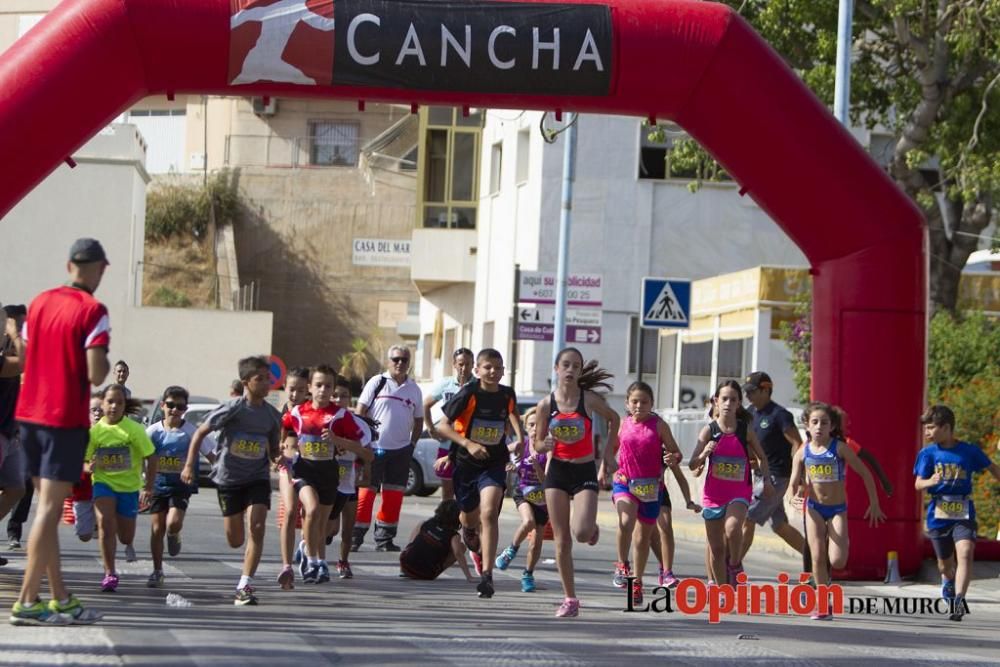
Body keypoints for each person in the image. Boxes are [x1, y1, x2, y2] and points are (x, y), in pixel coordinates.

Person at [10, 238, 110, 626]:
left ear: (69, 265)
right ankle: (27, 601)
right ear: (99, 268)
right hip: (63, 418)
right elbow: (96, 372)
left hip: (29, 415)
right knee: (49, 512)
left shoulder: (39, 303)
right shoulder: (93, 310)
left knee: (43, 510)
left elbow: (26, 355)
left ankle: (60, 597)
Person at [181, 355, 282, 606]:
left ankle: (245, 584)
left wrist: (279, 457)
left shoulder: (271, 415)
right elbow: (200, 433)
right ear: (246, 382)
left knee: (257, 527)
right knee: (235, 539)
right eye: (260, 379)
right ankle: (243, 574)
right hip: (229, 479)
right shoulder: (232, 408)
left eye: (268, 379)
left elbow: (273, 447)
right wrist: (188, 465)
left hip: (257, 477)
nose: (266, 383)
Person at [535, 347, 621, 618]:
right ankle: (570, 598)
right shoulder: (546, 405)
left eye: (576, 366)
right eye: (566, 365)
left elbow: (614, 419)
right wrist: (543, 444)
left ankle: (590, 527)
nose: (570, 370)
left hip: (584, 470)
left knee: (581, 533)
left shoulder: (590, 400)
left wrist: (607, 455)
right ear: (556, 369)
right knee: (562, 540)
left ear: (580, 371)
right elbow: (537, 441)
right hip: (557, 472)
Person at [435, 348, 524, 598]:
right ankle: (469, 530)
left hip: (494, 462)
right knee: (469, 517)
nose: (493, 372)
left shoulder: (507, 394)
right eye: (488, 367)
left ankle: (487, 576)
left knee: (489, 511)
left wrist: (519, 437)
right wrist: (468, 444)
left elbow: (513, 413)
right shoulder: (469, 393)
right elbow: (444, 427)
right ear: (478, 370)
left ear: (504, 370)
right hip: (466, 463)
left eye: (498, 368)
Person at [789, 402, 885, 619]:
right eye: (815, 422)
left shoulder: (840, 448)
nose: (819, 426)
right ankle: (823, 604)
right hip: (813, 508)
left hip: (837, 510)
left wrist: (874, 503)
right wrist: (794, 496)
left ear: (832, 426)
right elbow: (793, 482)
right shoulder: (803, 452)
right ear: (807, 425)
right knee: (817, 556)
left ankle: (835, 557)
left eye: (824, 422)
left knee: (837, 561)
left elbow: (866, 474)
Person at [282, 365, 368, 584]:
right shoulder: (297, 412)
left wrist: (338, 440)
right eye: (318, 385)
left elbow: (366, 452)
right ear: (309, 387)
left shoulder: (340, 416)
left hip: (329, 475)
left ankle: (307, 549)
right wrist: (279, 450)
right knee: (310, 510)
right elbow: (281, 428)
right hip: (304, 473)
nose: (323, 390)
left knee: (322, 524)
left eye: (328, 386)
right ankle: (312, 561)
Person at [914, 404, 1000, 622]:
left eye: (931, 428)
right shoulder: (927, 454)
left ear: (946, 427)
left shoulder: (969, 451)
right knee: (945, 564)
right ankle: (947, 581)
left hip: (963, 511)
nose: (927, 432)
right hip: (939, 513)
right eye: (926, 428)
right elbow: (917, 484)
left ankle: (959, 600)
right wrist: (929, 481)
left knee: (965, 552)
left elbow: (992, 468)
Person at [604, 381, 685, 605]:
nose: (639, 406)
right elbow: (611, 450)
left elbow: (676, 452)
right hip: (624, 482)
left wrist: (672, 458)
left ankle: (636, 583)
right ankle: (622, 564)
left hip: (650, 487)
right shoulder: (622, 424)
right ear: (627, 404)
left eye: (644, 402)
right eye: (635, 402)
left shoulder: (659, 425)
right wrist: (605, 466)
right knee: (626, 520)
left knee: (642, 539)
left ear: (652, 404)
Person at [690, 380, 774, 587]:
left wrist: (767, 482)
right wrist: (704, 454)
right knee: (717, 549)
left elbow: (762, 457)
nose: (728, 403)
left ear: (739, 404)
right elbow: (692, 464)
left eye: (733, 399)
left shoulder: (745, 430)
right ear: (716, 402)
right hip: (713, 495)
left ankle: (735, 563)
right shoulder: (708, 431)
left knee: (733, 527)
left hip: (739, 491)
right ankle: (721, 589)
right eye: (724, 399)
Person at [353, 345, 423, 552]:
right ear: (388, 361)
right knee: (366, 494)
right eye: (396, 359)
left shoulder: (414, 389)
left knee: (393, 496)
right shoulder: (377, 382)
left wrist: (412, 444)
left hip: (401, 451)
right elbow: (360, 411)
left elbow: (418, 421)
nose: (400, 363)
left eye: (404, 360)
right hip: (373, 449)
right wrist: (363, 443)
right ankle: (355, 537)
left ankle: (384, 540)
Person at [87, 384, 156, 592]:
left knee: (126, 537)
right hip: (103, 484)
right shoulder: (95, 431)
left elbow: (151, 457)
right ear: (102, 403)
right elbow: (83, 459)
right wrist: (87, 466)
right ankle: (110, 573)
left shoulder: (134, 430)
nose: (114, 406)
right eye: (110, 402)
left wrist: (149, 487)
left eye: (119, 402)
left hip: (128, 488)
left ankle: (120, 532)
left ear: (125, 405)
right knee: (105, 523)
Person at [145, 386, 209, 588]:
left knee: (172, 523)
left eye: (180, 407)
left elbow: (210, 453)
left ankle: (174, 534)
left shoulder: (191, 432)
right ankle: (157, 570)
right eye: (171, 405)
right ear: (163, 405)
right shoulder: (153, 432)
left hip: (181, 485)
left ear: (185, 409)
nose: (174, 410)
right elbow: (139, 455)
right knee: (157, 528)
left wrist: (225, 471)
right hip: (157, 484)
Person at [739, 371, 805, 563]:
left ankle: (732, 567)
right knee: (779, 526)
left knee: (748, 518)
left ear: (766, 390)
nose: (748, 396)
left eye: (752, 391)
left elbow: (797, 443)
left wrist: (797, 475)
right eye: (747, 392)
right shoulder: (750, 413)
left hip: (777, 476)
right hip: (760, 475)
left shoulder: (779, 415)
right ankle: (817, 559)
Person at [494, 407, 547, 593]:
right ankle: (511, 550)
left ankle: (528, 574)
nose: (535, 428)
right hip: (523, 491)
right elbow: (498, 455)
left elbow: (547, 480)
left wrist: (537, 467)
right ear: (525, 427)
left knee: (536, 541)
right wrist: (508, 465)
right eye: (531, 425)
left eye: (538, 425)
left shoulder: (548, 449)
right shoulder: (520, 445)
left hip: (543, 496)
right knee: (528, 521)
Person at [325, 376, 373, 579]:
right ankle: (313, 550)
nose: (338, 400)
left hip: (350, 479)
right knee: (331, 528)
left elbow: (369, 454)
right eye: (334, 395)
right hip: (326, 481)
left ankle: (343, 562)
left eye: (343, 396)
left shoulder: (359, 424)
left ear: (349, 399)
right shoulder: (322, 419)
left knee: (348, 526)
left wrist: (365, 474)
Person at [422, 348, 474, 501]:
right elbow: (425, 404)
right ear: (454, 364)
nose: (463, 368)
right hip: (447, 444)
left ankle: (466, 522)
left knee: (466, 489)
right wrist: (431, 428)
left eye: (467, 364)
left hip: (468, 445)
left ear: (473, 365)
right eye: (460, 364)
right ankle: (446, 521)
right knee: (447, 489)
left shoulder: (477, 385)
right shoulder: (446, 384)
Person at [276, 366, 310, 590]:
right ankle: (287, 566)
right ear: (285, 388)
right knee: (289, 511)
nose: (295, 395)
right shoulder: (280, 414)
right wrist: (276, 456)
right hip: (287, 466)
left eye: (300, 390)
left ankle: (306, 546)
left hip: (310, 466)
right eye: (291, 389)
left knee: (310, 513)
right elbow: (275, 442)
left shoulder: (311, 412)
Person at [0, 304, 28, 560]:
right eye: (17, 324)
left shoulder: (11, 350)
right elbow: (22, 363)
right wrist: (15, 335)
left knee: (17, 487)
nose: (20, 330)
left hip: (10, 433)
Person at [399, 499, 475, 582]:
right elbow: (458, 553)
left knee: (419, 535)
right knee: (461, 547)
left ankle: (407, 564)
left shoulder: (426, 523)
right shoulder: (453, 535)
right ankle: (435, 572)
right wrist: (468, 576)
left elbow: (411, 542)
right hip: (425, 574)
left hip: (405, 565)